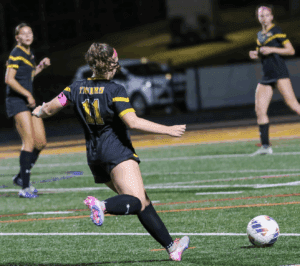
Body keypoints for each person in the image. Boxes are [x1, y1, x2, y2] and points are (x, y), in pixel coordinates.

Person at [32, 43, 189, 261]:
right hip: (117, 152)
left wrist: (38, 111)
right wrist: (168, 130)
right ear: (111, 65)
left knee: (142, 201)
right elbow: (132, 122)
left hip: (95, 157)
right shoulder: (115, 90)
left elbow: (49, 108)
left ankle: (173, 248)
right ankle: (102, 205)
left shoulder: (74, 88)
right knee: (135, 200)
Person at [5, 23, 51, 198]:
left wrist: (40, 67)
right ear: (17, 38)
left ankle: (20, 177)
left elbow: (27, 77)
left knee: (40, 142)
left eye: (29, 32)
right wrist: (27, 95)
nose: (27, 36)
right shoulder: (16, 53)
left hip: (27, 101)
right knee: (29, 142)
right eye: (23, 34)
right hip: (17, 101)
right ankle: (24, 188)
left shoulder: (28, 54)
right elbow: (9, 79)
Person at [249, 5, 300, 156]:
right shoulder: (260, 35)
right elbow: (262, 52)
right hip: (266, 74)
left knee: (293, 104)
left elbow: (291, 50)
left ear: (271, 17)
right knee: (260, 110)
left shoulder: (276, 31)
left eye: (266, 15)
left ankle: (265, 146)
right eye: (260, 15)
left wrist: (272, 50)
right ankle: (265, 146)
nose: (263, 18)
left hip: (279, 72)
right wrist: (256, 54)